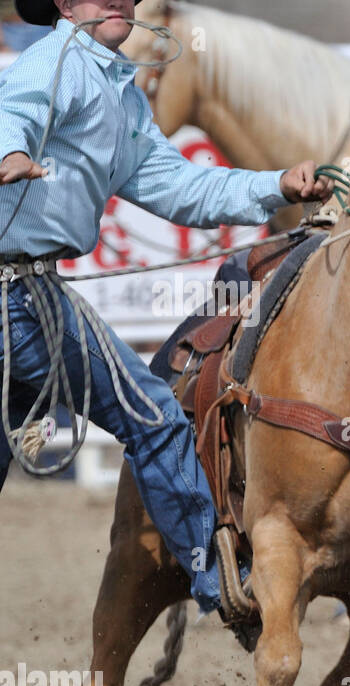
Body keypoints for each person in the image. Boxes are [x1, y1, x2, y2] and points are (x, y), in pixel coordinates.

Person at [0, 0, 331, 630]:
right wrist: (7, 150)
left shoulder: (119, 95)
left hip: (28, 297)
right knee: (154, 416)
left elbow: (181, 187)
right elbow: (13, 108)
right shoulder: (62, 63)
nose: (120, 0)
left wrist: (275, 186)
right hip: (19, 300)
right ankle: (223, 586)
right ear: (66, 5)